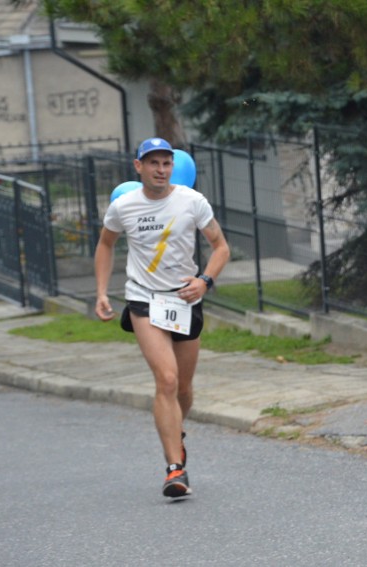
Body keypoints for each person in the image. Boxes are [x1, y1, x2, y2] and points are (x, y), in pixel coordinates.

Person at [94, 137, 230, 498]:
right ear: (138, 167)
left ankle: (175, 433)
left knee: (183, 389)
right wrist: (103, 292)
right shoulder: (124, 206)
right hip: (144, 301)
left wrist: (204, 281)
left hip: (185, 301)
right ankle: (175, 469)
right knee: (166, 380)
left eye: (166, 163)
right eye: (152, 163)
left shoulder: (192, 202)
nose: (160, 169)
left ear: (173, 166)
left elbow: (221, 246)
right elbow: (105, 244)